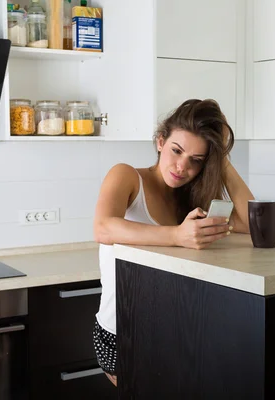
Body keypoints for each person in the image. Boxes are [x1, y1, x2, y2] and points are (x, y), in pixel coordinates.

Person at [92, 99, 255, 386]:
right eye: (176, 151)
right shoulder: (127, 176)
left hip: (172, 329)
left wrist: (222, 161)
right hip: (122, 332)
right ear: (160, 142)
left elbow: (252, 224)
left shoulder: (191, 199)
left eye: (196, 160)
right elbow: (104, 228)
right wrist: (178, 235)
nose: (181, 167)